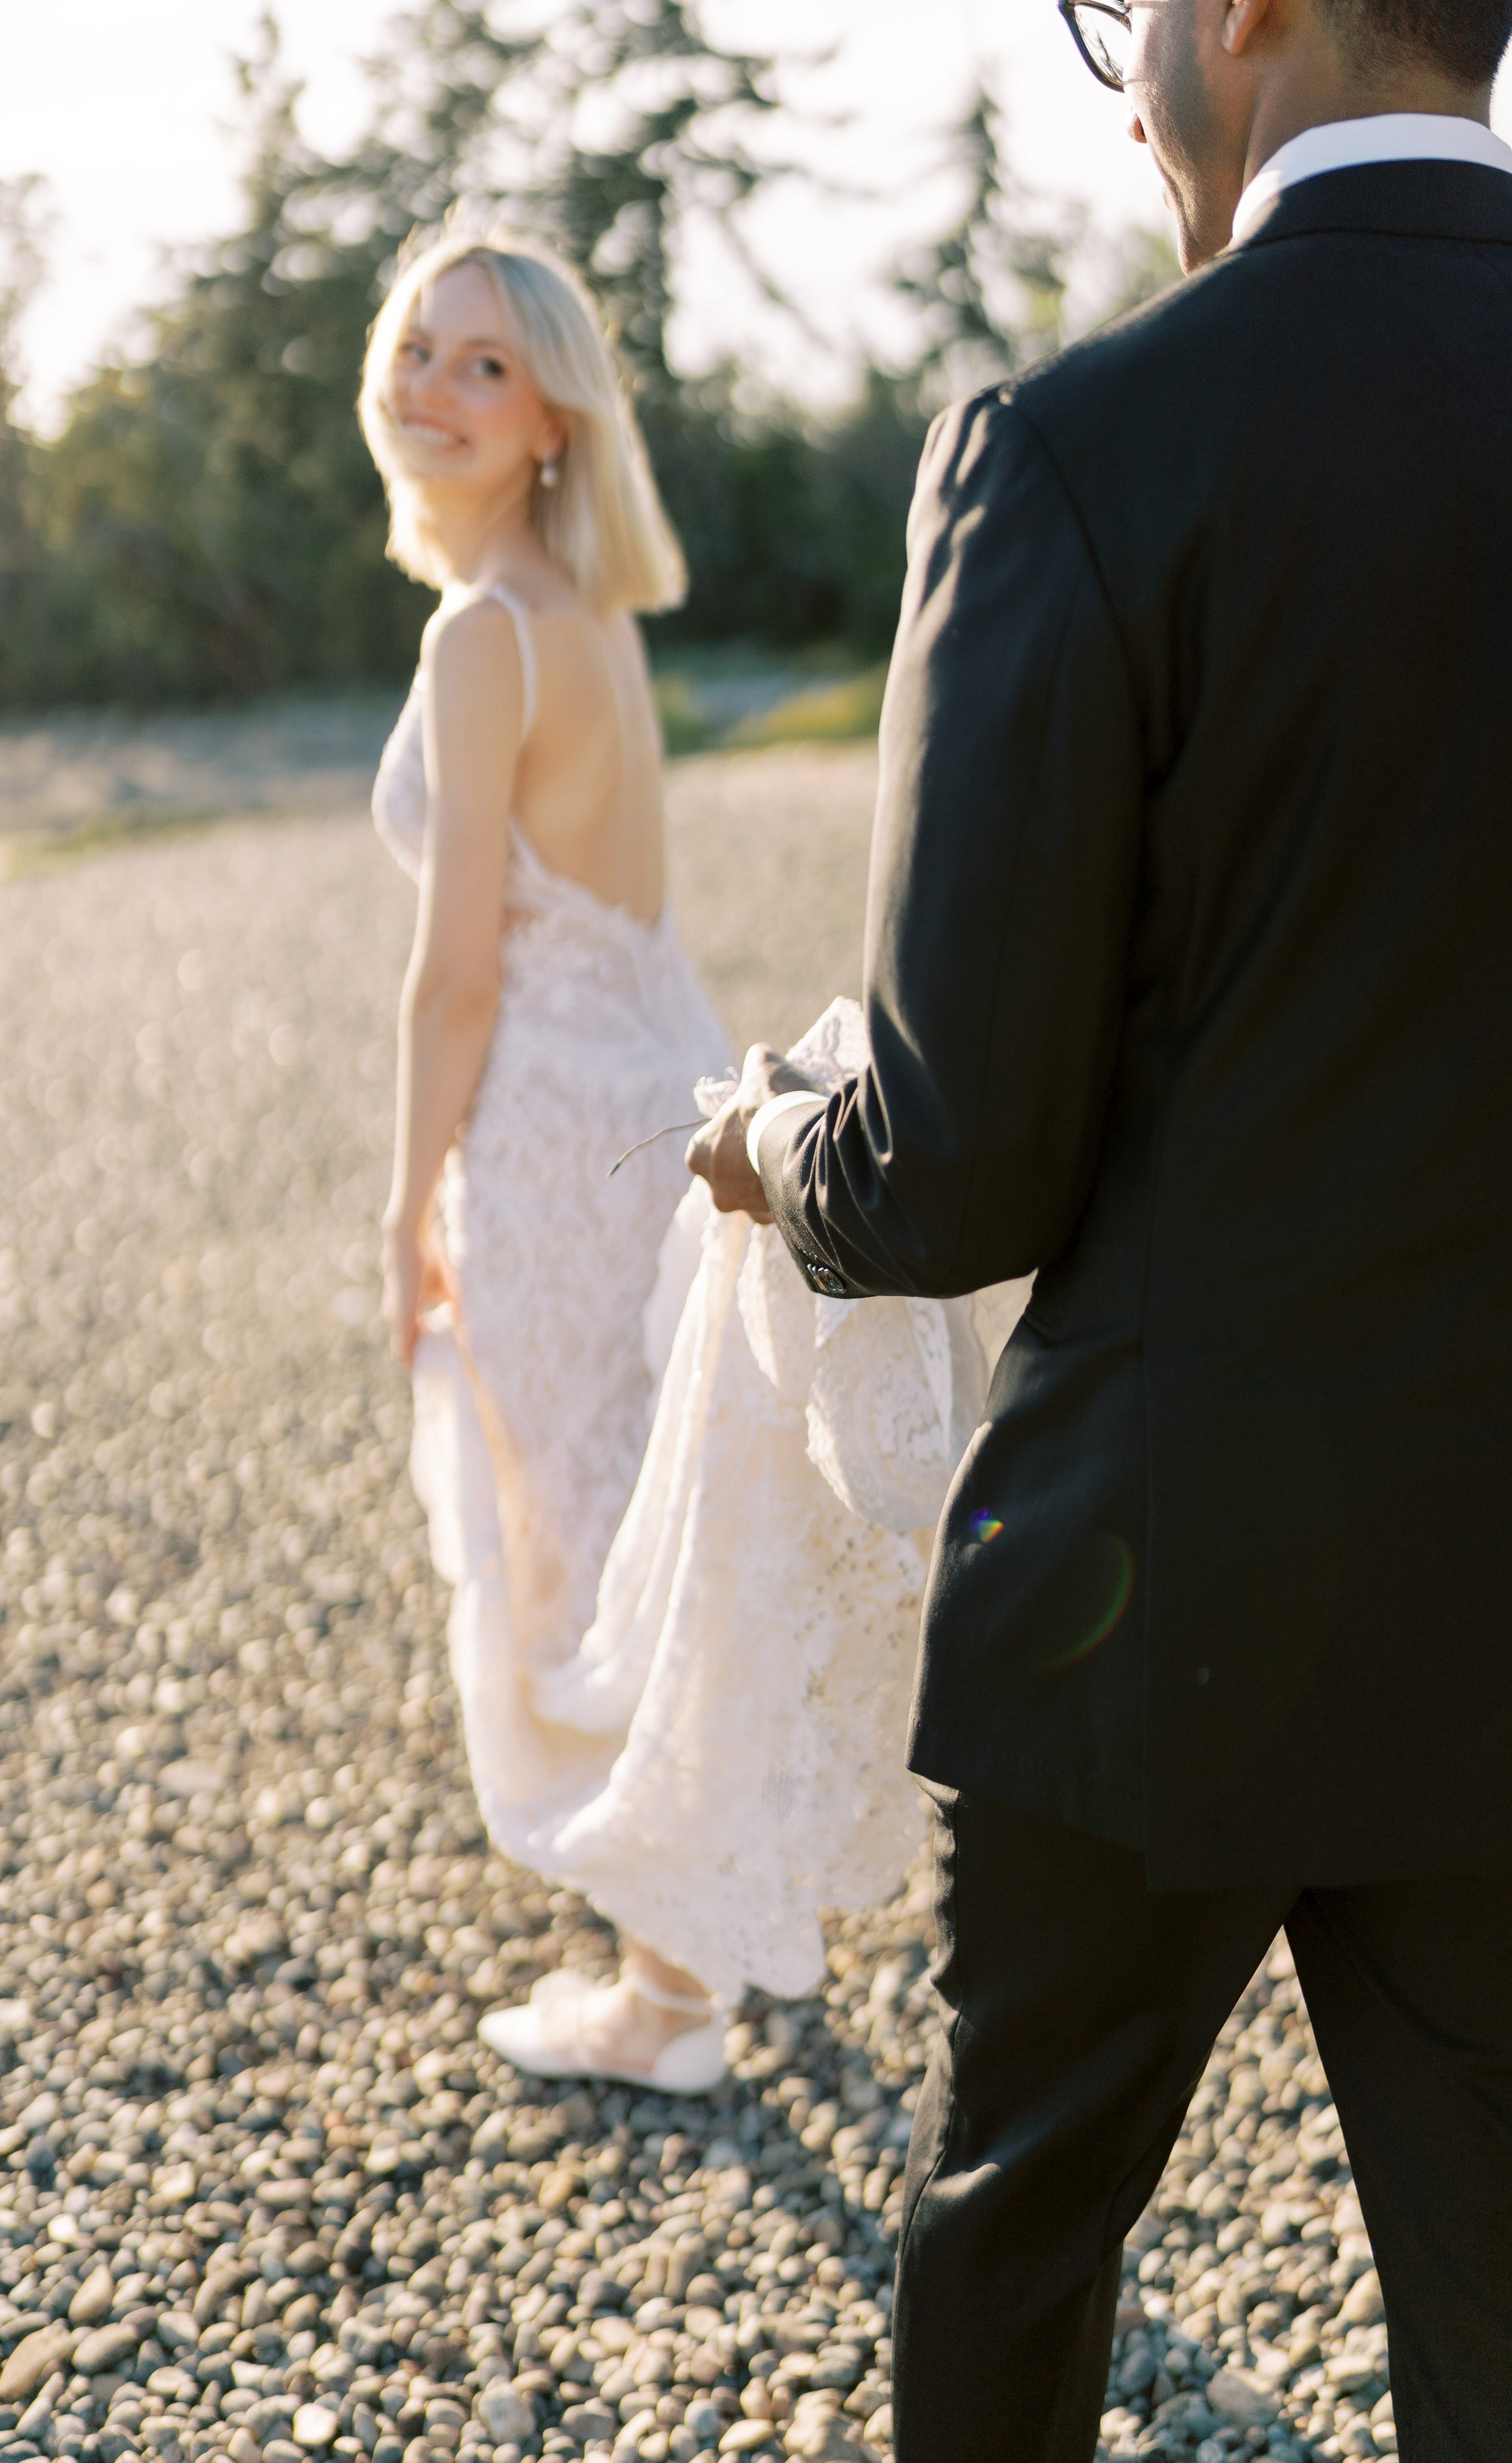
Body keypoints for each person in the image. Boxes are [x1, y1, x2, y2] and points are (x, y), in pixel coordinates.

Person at [689, 0, 1512, 2453]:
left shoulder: (1078, 449)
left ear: (1245, 12)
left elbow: (963, 1156)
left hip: (1175, 1584)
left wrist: (771, 1147)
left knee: (1025, 2233)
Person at [362, 230, 732, 2085]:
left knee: (581, 1531)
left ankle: (667, 1994)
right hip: (648, 1092)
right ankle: (684, 1950)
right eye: (419, 347)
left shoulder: (488, 629)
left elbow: (455, 982)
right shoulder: (579, 610)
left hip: (551, 1131)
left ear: (557, 417)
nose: (432, 383)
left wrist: (403, 1196)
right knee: (629, 1509)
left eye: (485, 365)